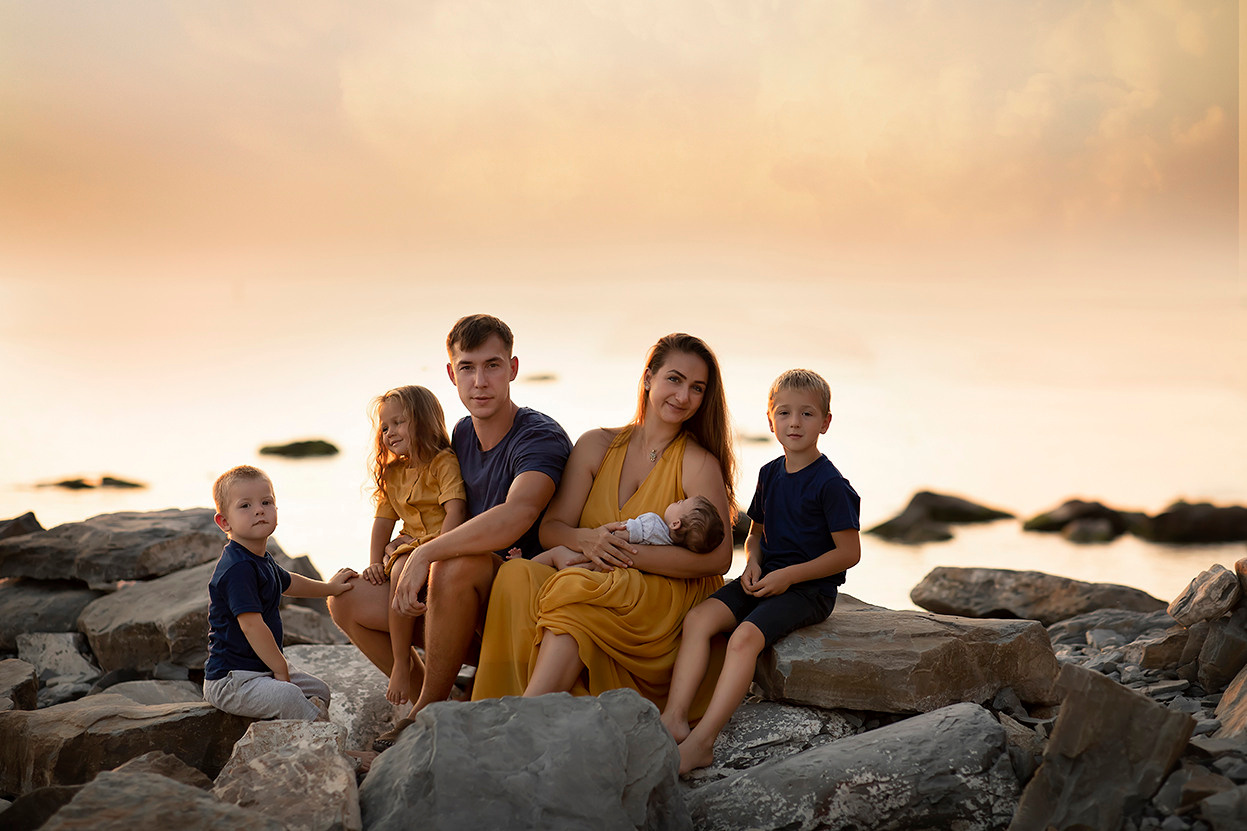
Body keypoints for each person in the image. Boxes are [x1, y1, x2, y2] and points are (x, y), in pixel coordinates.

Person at [328, 314, 571, 744]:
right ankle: (440, 691)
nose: (480, 381)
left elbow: (518, 514)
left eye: (492, 366)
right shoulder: (459, 435)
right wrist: (403, 544)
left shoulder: (539, 436)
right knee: (344, 597)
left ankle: (426, 716)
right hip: (459, 612)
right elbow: (426, 498)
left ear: (513, 369)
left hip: (523, 604)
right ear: (451, 374)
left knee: (453, 564)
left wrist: (426, 552)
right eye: (467, 368)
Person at [471, 332, 736, 713]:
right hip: (597, 575)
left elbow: (719, 559)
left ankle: (521, 719)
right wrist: (589, 541)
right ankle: (499, 701)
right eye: (674, 379)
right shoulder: (596, 444)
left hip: (660, 596)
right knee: (515, 577)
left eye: (697, 388)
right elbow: (552, 528)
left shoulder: (698, 463)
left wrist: (625, 555)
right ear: (649, 378)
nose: (683, 396)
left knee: (578, 596)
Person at [661, 369, 861, 774]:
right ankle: (674, 718)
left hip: (808, 590)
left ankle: (703, 742)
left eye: (807, 414)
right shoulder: (770, 474)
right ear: (770, 420)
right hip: (764, 576)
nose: (794, 423)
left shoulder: (830, 484)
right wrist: (752, 562)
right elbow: (755, 535)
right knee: (699, 618)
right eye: (784, 413)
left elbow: (849, 553)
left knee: (743, 638)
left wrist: (790, 576)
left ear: (825, 422)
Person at [204, 465, 356, 721]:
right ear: (224, 522)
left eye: (266, 502)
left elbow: (289, 583)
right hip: (231, 680)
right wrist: (280, 669)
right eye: (245, 506)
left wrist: (330, 589)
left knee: (319, 690)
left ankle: (320, 742)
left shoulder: (260, 558)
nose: (259, 510)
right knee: (288, 697)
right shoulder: (238, 568)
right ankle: (333, 749)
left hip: (259, 669)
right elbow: (252, 626)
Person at [357, 386, 467, 716]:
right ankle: (402, 662)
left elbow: (456, 511)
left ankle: (420, 670)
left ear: (424, 420)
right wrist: (375, 561)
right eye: (385, 426)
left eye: (399, 422)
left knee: (405, 564)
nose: (390, 433)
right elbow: (382, 522)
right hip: (409, 546)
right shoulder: (392, 473)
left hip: (441, 544)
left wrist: (438, 552)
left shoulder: (442, 462)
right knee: (398, 568)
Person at [611, 495, 725, 553]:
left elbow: (618, 534)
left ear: (675, 524)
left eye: (681, 503)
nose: (679, 500)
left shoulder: (651, 524)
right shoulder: (670, 547)